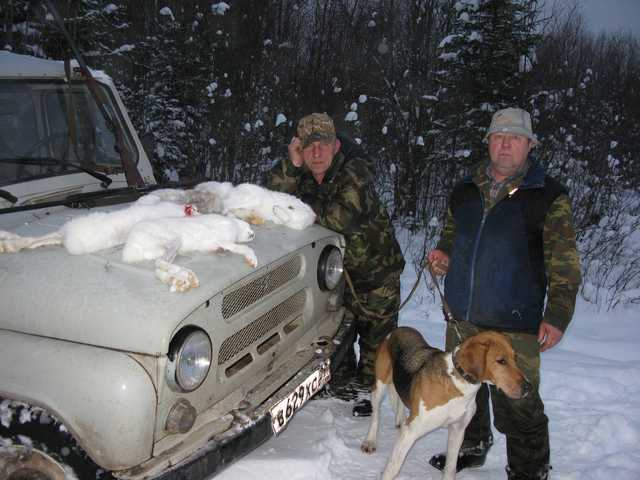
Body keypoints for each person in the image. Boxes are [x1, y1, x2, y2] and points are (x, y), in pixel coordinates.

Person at [426, 107, 581, 480]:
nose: (505, 144)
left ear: (529, 145)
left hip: (515, 321)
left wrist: (557, 316)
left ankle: (529, 471)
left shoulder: (547, 196)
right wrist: (444, 254)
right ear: (489, 142)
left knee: (519, 402)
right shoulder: (465, 189)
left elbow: (565, 264)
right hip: (463, 316)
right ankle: (472, 444)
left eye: (514, 138)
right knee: (465, 390)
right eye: (498, 137)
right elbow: (451, 233)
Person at [268, 113, 405, 416]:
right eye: (308, 146)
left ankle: (373, 394)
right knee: (336, 345)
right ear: (299, 149)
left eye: (323, 145)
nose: (316, 153)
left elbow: (334, 218)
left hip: (375, 278)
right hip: (334, 278)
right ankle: (340, 387)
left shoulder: (356, 173)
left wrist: (293, 208)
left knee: (375, 347)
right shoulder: (301, 174)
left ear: (336, 146)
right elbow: (271, 201)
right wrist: (291, 166)